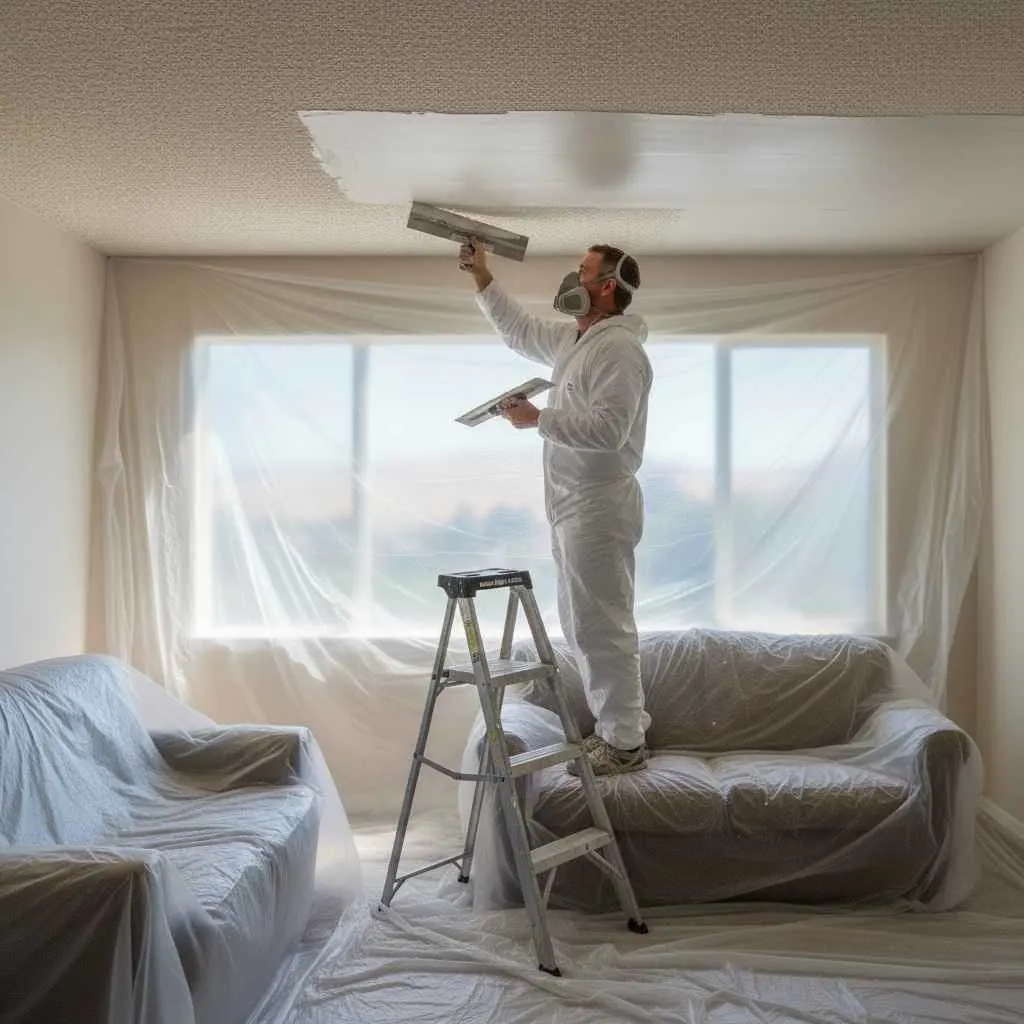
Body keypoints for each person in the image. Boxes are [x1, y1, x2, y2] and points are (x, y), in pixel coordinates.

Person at [459, 239, 653, 776]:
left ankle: (625, 743)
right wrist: (481, 274)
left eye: (583, 271)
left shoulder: (619, 351)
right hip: (572, 505)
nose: (573, 278)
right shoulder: (578, 342)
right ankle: (619, 730)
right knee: (582, 622)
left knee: (601, 624)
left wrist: (536, 419)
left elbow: (610, 431)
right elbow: (520, 332)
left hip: (598, 505)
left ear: (606, 286)